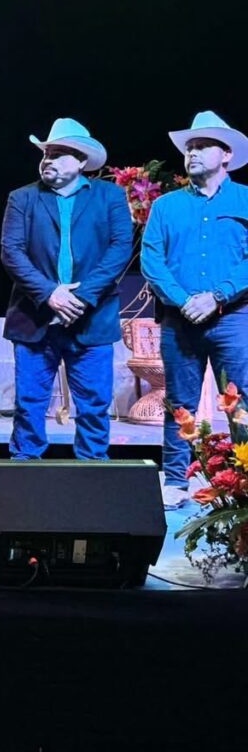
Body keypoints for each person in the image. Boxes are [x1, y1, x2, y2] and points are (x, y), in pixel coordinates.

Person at [1, 118, 133, 461]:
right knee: (28, 404)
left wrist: (82, 296)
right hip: (35, 319)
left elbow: (120, 248)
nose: (48, 159)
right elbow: (11, 252)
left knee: (94, 406)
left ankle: (93, 475)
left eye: (58, 154)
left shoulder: (110, 196)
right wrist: (50, 293)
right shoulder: (23, 198)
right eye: (46, 153)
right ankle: (24, 473)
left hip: (92, 320)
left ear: (81, 161)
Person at [140, 110, 248, 509]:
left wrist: (218, 295)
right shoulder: (166, 206)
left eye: (203, 146)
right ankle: (175, 480)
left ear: (226, 154)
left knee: (240, 402)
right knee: (179, 404)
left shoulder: (245, 199)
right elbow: (152, 259)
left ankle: (242, 478)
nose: (193, 153)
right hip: (179, 319)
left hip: (233, 317)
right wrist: (185, 300)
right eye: (190, 148)